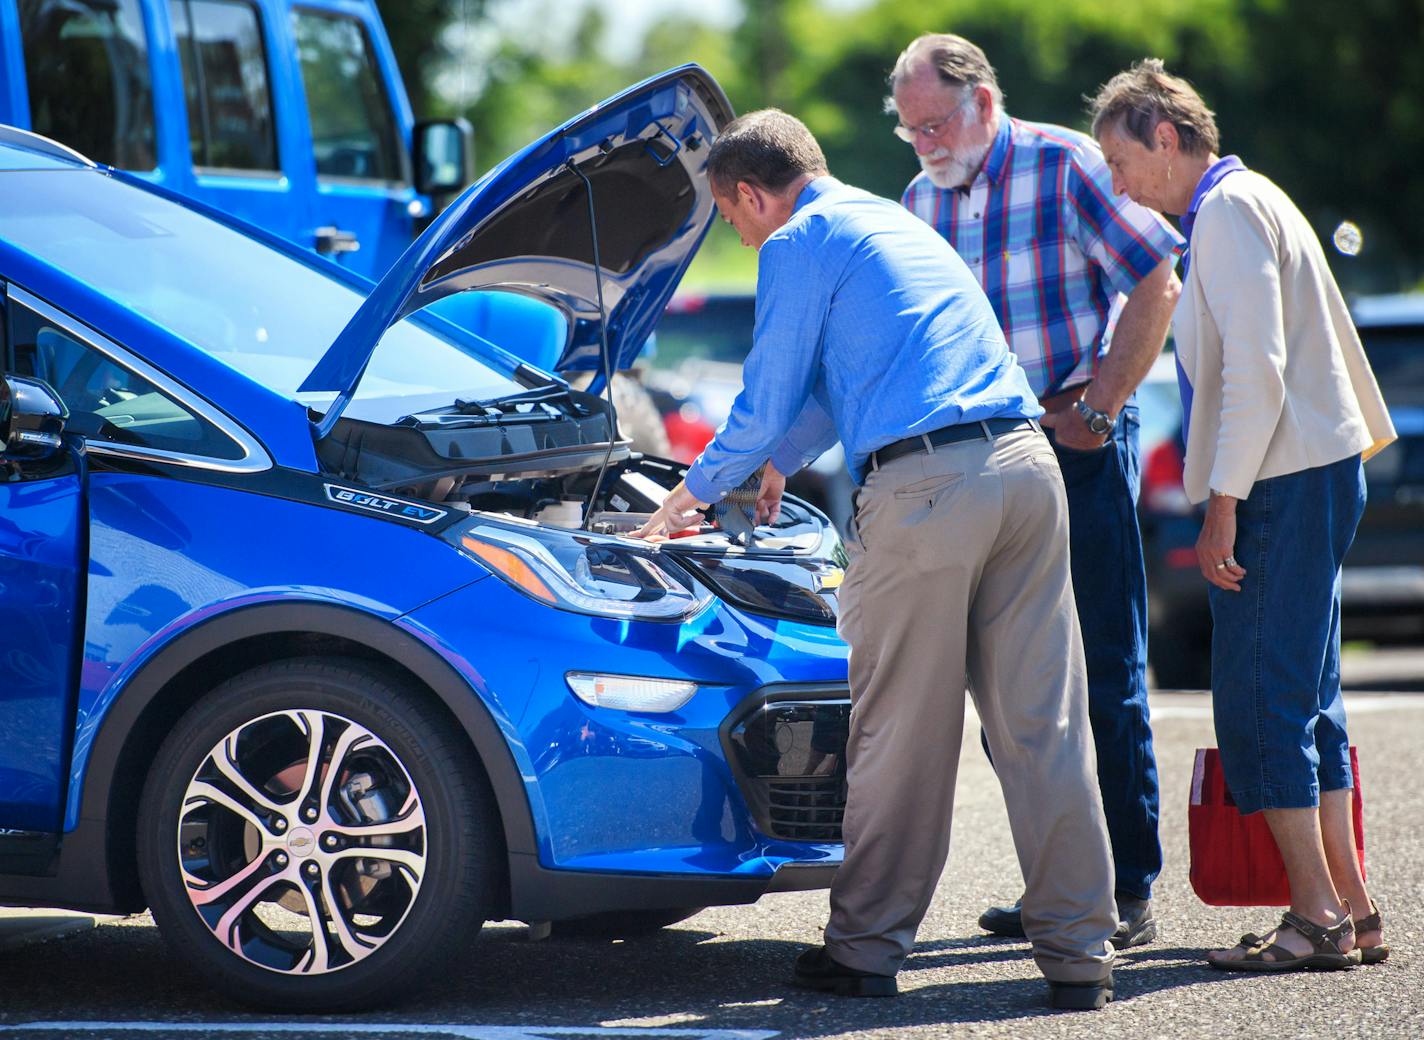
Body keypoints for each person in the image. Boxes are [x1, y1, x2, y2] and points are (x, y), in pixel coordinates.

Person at [633, 109, 1118, 1010]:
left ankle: (863, 951)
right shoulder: (892, 224)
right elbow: (845, 382)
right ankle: (1082, 951)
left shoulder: (797, 241)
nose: (738, 235)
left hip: (928, 494)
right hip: (1025, 469)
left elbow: (769, 391)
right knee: (1043, 728)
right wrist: (777, 462)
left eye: (731, 220)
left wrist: (684, 499)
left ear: (750, 192)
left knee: (899, 732)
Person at [1088, 58, 1396, 971]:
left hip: (1279, 480)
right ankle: (1350, 908)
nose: (1119, 184)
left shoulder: (1222, 212)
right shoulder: (1248, 196)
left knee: (1260, 705)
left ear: (1168, 138)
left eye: (1122, 161)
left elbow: (1254, 373)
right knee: (1307, 700)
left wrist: (1219, 507)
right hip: (1312, 470)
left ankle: (1315, 919)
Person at [886, 33, 1182, 947]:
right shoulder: (915, 199)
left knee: (1103, 671)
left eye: (935, 122)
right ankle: (1056, 886)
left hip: (1081, 440)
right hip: (985, 457)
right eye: (909, 130)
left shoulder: (1066, 163)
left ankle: (1125, 889)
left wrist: (1100, 406)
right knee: (1010, 691)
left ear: (982, 101)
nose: (926, 143)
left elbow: (1157, 278)